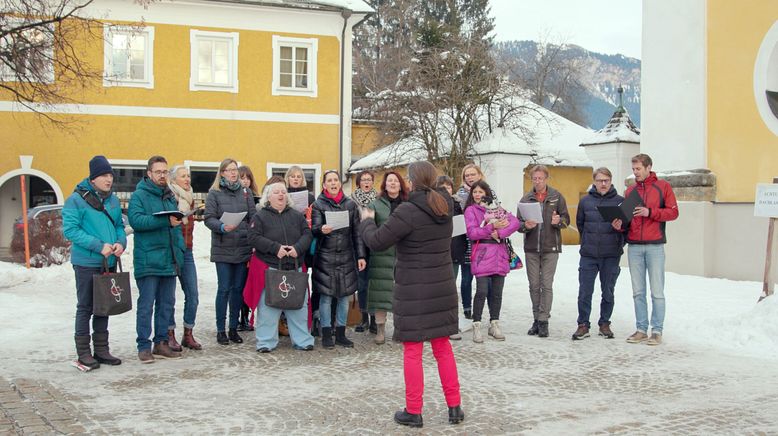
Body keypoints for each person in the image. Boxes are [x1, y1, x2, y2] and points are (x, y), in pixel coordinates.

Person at [360, 161, 464, 429]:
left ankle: (414, 410)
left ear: (412, 181)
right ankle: (455, 407)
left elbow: (377, 241)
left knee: (413, 351)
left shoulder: (407, 211)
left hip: (414, 289)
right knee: (443, 348)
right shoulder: (445, 206)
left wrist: (367, 222)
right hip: (442, 286)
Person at [62, 155, 127, 369]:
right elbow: (70, 230)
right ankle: (83, 353)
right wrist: (98, 245)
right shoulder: (76, 200)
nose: (109, 179)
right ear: (93, 178)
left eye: (110, 175)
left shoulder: (113, 200)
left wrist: (120, 242)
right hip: (86, 262)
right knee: (86, 307)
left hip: (107, 261)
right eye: (104, 175)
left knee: (103, 306)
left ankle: (101, 350)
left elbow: (119, 225)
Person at [615, 154, 679, 346]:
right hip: (634, 246)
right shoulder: (630, 191)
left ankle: (657, 331)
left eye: (638, 169)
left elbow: (673, 212)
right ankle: (641, 329)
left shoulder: (663, 187)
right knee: (638, 291)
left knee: (657, 292)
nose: (635, 173)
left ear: (649, 167)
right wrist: (620, 224)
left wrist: (650, 212)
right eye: (633, 169)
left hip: (655, 246)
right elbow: (628, 218)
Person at [128, 155, 186, 363]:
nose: (163, 175)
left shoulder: (169, 195)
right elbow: (136, 221)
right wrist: (164, 221)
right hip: (148, 260)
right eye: (159, 172)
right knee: (147, 304)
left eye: (165, 172)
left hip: (169, 258)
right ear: (149, 174)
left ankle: (161, 342)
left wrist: (179, 248)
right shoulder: (139, 196)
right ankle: (143, 346)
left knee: (167, 304)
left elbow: (174, 226)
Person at [248, 182, 314, 352]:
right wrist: (274, 248)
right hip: (270, 269)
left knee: (298, 307)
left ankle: (303, 340)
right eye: (276, 192)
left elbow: (307, 234)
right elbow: (253, 237)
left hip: (295, 268)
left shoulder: (296, 216)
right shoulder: (260, 216)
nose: (280, 195)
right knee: (268, 308)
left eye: (283, 192)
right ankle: (265, 343)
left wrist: (297, 249)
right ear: (268, 197)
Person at [311, 170, 366, 349]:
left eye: (336, 180)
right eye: (330, 181)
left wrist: (361, 255)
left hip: (346, 256)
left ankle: (341, 333)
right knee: (326, 297)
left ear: (339, 184)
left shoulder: (350, 204)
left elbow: (357, 233)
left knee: (344, 297)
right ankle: (327, 333)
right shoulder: (318, 204)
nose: (333, 183)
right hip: (325, 257)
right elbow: (314, 228)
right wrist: (321, 229)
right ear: (324, 185)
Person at [204, 158, 254, 345]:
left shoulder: (246, 192)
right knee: (224, 288)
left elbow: (252, 217)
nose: (233, 173)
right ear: (222, 173)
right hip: (223, 246)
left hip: (242, 246)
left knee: (237, 290)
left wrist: (251, 231)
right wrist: (222, 226)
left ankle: (233, 328)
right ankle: (220, 329)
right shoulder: (214, 193)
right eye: (229, 170)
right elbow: (209, 218)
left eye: (235, 170)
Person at [516, 165, 570, 338]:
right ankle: (536, 319)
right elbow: (518, 224)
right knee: (534, 285)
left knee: (546, 285)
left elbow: (566, 220)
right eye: (535, 178)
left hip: (550, 248)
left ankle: (544, 321)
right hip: (532, 248)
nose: (537, 181)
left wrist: (558, 221)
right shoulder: (526, 199)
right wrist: (526, 226)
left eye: (540, 178)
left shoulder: (556, 196)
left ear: (546, 178)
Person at [463, 180, 520, 343]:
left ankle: (494, 324)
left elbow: (515, 222)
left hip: (499, 254)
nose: (477, 195)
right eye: (475, 192)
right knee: (481, 291)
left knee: (497, 292)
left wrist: (500, 233)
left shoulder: (497, 208)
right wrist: (491, 228)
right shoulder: (471, 210)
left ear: (487, 193)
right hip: (482, 253)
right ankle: (476, 324)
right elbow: (472, 233)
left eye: (480, 192)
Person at [572, 167, 625, 340]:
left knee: (608, 291)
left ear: (611, 181)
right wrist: (587, 242)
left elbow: (627, 229)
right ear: (594, 181)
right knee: (585, 291)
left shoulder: (620, 201)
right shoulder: (586, 201)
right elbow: (580, 224)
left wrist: (620, 231)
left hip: (611, 254)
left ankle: (604, 323)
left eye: (606, 180)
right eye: (600, 180)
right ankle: (583, 324)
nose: (603, 184)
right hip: (589, 254)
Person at [367, 171, 409, 344]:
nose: (392, 183)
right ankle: (380, 329)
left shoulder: (409, 204)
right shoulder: (375, 204)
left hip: (405, 253)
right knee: (380, 292)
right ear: (384, 185)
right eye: (389, 181)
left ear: (401, 185)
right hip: (381, 254)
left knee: (404, 293)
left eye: (396, 181)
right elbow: (369, 226)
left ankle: (401, 329)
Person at [453, 163, 496, 319]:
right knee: (466, 277)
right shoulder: (459, 195)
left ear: (479, 175)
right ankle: (467, 309)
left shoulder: (489, 192)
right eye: (467, 175)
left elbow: (496, 211)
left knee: (488, 279)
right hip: (466, 241)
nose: (470, 177)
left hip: (487, 242)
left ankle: (492, 312)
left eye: (472, 174)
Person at [167, 165, 201, 350]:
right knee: (169, 296)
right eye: (182, 176)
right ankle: (169, 333)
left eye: (188, 176)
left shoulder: (190, 198)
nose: (187, 179)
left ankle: (188, 333)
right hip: (171, 250)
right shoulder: (168, 197)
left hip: (187, 250)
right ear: (173, 180)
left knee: (193, 294)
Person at [436, 175, 466, 341]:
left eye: (448, 187)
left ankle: (450, 325)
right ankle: (435, 325)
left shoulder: (457, 205)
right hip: (435, 254)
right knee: (434, 291)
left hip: (453, 252)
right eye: (442, 187)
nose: (446, 190)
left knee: (450, 291)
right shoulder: (431, 204)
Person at [351, 170, 377, 333]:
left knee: (374, 284)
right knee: (362, 284)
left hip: (375, 244)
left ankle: (375, 319)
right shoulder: (352, 201)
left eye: (369, 180)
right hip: (359, 245)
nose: (366, 182)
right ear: (359, 183)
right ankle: (363, 318)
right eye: (363, 180)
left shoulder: (379, 198)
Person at [237, 165, 259, 332]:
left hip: (250, 245)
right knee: (238, 283)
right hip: (236, 244)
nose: (244, 181)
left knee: (248, 283)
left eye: (247, 178)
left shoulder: (254, 197)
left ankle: (247, 315)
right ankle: (238, 316)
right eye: (241, 177)